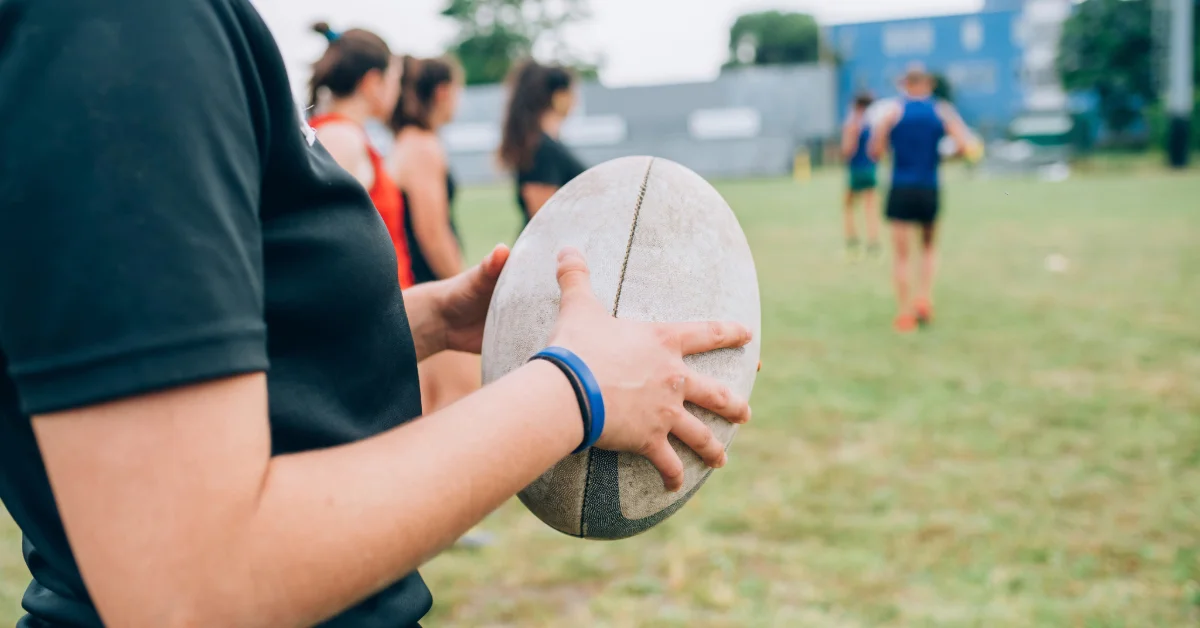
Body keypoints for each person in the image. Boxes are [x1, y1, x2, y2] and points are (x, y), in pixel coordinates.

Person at [0, 3, 753, 628]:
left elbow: (182, 330)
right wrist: (577, 388)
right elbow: (192, 587)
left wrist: (418, 317)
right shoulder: (121, 25)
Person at [388, 55, 476, 414]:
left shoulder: (407, 141)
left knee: (431, 406)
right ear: (442, 92)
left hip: (417, 285)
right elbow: (433, 233)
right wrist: (465, 288)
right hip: (432, 286)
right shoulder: (422, 145)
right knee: (459, 404)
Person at [869, 65, 979, 333]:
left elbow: (875, 151)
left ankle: (904, 314)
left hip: (901, 187)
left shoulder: (893, 112)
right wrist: (939, 157)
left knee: (901, 256)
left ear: (905, 84)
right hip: (929, 187)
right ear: (928, 84)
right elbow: (965, 147)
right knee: (928, 248)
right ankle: (924, 300)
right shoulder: (941, 110)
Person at [306, 22, 415, 288]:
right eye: (395, 80)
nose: (398, 91)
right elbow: (326, 247)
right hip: (373, 314)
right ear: (372, 82)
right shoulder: (340, 139)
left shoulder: (344, 135)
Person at [498, 59, 587, 226]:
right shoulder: (542, 148)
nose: (576, 100)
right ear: (559, 96)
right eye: (572, 92)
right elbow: (544, 217)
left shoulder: (545, 144)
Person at [840, 92, 881, 261]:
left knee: (849, 206)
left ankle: (852, 239)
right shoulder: (871, 124)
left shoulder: (853, 124)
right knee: (870, 206)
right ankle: (873, 240)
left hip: (856, 170)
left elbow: (848, 149)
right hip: (870, 168)